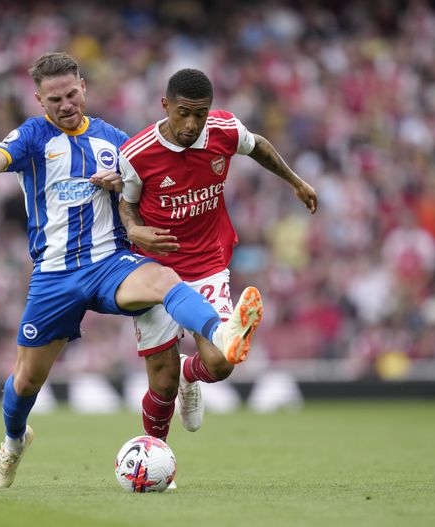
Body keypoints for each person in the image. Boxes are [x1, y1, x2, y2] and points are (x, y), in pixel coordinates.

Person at [0, 52, 257, 489]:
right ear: (39, 100)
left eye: (71, 94)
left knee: (164, 278)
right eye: (55, 99)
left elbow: (141, 191)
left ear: (83, 88)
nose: (66, 105)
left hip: (109, 264)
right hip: (54, 275)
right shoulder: (32, 136)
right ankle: (13, 443)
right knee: (27, 379)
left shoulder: (116, 141)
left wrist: (122, 187)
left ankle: (219, 336)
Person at [118, 68, 317, 443]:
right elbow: (126, 205)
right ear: (165, 105)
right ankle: (156, 453)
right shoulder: (137, 153)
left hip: (207, 264)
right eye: (183, 113)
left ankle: (189, 375)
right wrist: (133, 228)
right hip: (156, 272)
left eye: (201, 113)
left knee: (222, 362)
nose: (192, 123)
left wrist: (296, 182)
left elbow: (257, 145)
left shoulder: (223, 131)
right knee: (161, 385)